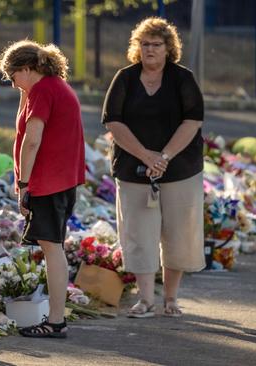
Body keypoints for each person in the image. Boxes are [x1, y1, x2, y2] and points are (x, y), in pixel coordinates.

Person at [101, 17, 205, 318]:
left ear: (168, 47)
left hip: (180, 169)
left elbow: (193, 120)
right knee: (139, 235)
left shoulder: (182, 79)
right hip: (134, 169)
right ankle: (145, 300)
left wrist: (165, 157)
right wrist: (147, 156)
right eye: (144, 44)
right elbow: (113, 121)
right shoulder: (125, 77)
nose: (149, 49)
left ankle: (171, 299)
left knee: (178, 235)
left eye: (156, 45)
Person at [0, 40, 85, 338]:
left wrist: (22, 184)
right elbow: (23, 127)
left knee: (52, 249)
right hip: (60, 179)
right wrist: (24, 91)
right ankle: (55, 316)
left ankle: (56, 320)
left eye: (13, 76)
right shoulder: (49, 87)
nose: (11, 84)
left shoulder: (45, 90)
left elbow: (32, 139)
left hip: (49, 181)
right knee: (53, 247)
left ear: (27, 69)